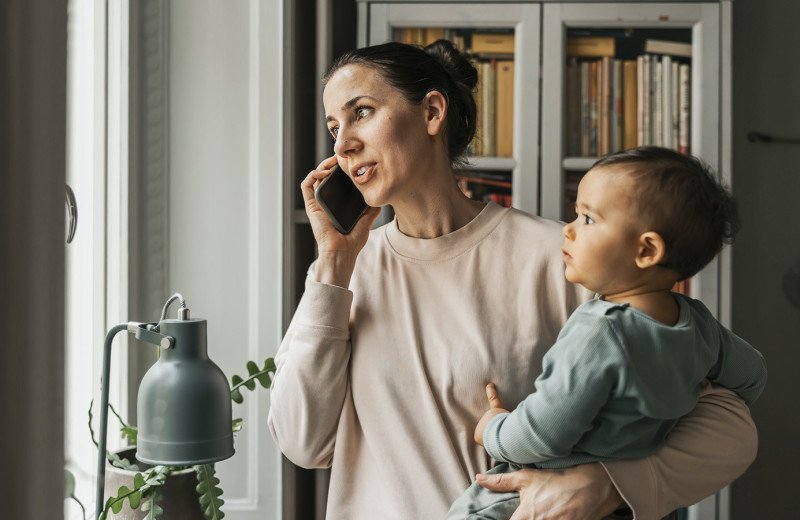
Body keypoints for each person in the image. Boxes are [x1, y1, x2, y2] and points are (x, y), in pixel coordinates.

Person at [267, 40, 759, 520]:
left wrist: (609, 486)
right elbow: (303, 443)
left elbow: (731, 427)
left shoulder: (564, 261)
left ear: (433, 112)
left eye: (362, 113)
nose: (343, 143)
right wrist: (333, 264)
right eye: (334, 126)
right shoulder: (342, 278)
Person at [445, 147, 767, 519]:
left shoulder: (600, 331)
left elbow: (542, 433)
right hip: (634, 504)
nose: (568, 228)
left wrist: (493, 429)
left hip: (544, 492)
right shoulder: (698, 325)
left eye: (587, 219)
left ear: (646, 250)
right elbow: (753, 376)